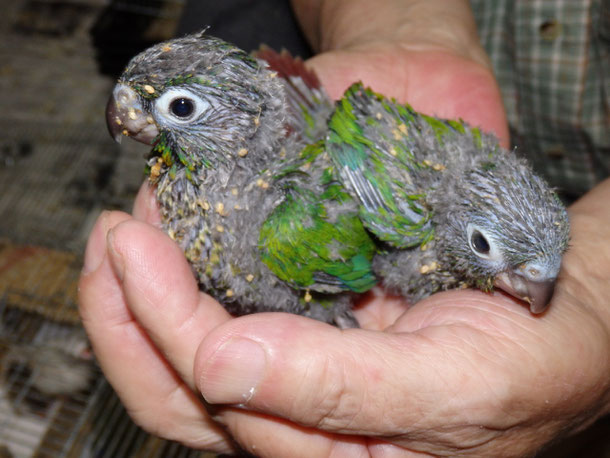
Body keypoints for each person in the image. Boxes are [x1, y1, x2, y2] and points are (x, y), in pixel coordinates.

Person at [79, 0, 610, 455]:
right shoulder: (214, 170)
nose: (126, 116)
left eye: (179, 108)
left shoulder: (294, 227)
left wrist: (594, 289)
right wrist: (408, 34)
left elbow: (363, 266)